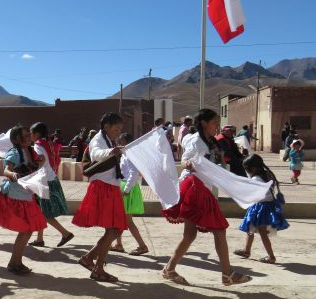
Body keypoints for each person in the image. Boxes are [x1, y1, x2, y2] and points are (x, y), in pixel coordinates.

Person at [161, 108, 252, 286]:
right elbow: (186, 159)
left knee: (190, 234)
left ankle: (169, 269)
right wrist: (190, 164)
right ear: (203, 123)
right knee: (219, 230)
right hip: (195, 187)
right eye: (214, 123)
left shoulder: (209, 141)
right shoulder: (196, 141)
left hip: (199, 186)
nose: (216, 126)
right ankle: (227, 274)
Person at [72, 113, 128, 283]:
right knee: (112, 229)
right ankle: (98, 268)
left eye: (120, 130)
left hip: (110, 187)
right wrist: (113, 151)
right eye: (116, 129)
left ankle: (89, 259)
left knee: (116, 229)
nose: (118, 132)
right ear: (106, 127)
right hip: (103, 188)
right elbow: (96, 154)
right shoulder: (98, 139)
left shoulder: (108, 140)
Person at [0, 124, 47, 275]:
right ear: (17, 139)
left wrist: (41, 162)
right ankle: (15, 263)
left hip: (26, 195)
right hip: (17, 197)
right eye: (26, 136)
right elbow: (6, 169)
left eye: (29, 135)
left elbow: (34, 170)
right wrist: (12, 174)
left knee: (27, 231)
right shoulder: (15, 152)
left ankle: (15, 262)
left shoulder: (29, 151)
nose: (29, 138)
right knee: (26, 230)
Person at [233, 154, 288, 264]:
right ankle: (246, 250)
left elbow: (253, 193)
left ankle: (271, 256)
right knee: (250, 228)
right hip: (266, 205)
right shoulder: (267, 174)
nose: (247, 171)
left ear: (252, 168)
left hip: (262, 207)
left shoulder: (256, 179)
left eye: (247, 169)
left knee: (262, 232)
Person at [29, 122, 74, 248]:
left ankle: (65, 233)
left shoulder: (38, 145)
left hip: (44, 181)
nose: (30, 136)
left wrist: (33, 175)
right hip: (52, 178)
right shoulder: (50, 143)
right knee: (41, 210)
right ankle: (39, 239)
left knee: (45, 213)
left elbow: (41, 160)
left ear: (37, 134)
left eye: (31, 133)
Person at [110, 133, 149, 256]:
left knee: (127, 220)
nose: (119, 144)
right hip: (126, 186)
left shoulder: (129, 155)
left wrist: (126, 190)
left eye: (121, 142)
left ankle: (142, 246)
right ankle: (119, 244)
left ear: (126, 142)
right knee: (119, 218)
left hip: (127, 187)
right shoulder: (126, 154)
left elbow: (134, 174)